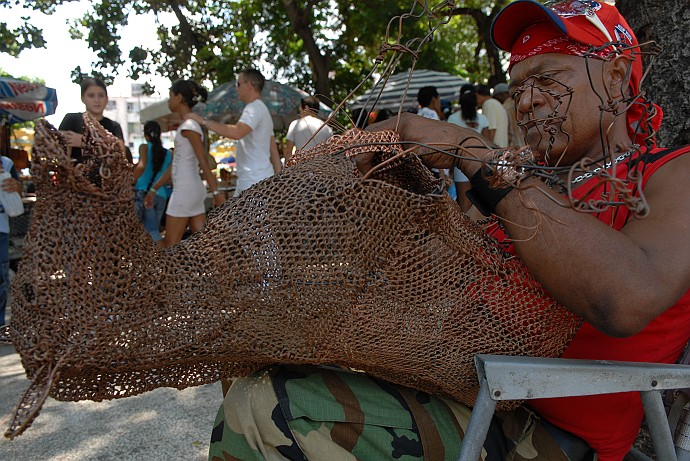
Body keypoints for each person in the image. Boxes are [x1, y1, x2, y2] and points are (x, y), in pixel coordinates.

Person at [208, 2, 690, 461]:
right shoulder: (534, 187)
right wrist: (383, 210)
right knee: (251, 357)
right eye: (517, 86)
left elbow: (625, 298)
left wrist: (477, 155)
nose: (526, 100)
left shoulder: (672, 175)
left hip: (539, 430)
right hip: (476, 392)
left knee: (264, 406)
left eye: (548, 77)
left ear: (616, 73)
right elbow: (440, 278)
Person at [145, 79, 223, 247]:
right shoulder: (188, 126)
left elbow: (203, 161)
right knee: (206, 246)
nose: (168, 101)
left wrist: (217, 193)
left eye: (170, 96)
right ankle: (222, 271)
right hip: (191, 192)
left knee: (168, 245)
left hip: (185, 193)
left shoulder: (189, 126)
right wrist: (154, 189)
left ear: (179, 97)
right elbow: (175, 166)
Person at [185, 69, 282, 197]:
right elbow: (274, 152)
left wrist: (203, 121)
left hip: (253, 181)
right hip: (257, 180)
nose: (237, 89)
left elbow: (237, 132)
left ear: (249, 85)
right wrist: (280, 183)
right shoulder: (263, 110)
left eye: (238, 84)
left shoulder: (253, 108)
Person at [58, 77, 124, 162]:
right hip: (76, 173)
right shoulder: (71, 120)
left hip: (106, 174)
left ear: (106, 99)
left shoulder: (113, 126)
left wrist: (85, 142)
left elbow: (121, 154)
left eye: (101, 96)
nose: (97, 100)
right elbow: (61, 154)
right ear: (83, 98)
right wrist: (105, 144)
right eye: (91, 96)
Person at [447, 83, 490, 211]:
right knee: (481, 205)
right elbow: (487, 145)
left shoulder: (452, 118)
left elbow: (450, 146)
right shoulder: (483, 119)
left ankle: (464, 230)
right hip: (480, 166)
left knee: (464, 205)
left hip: (460, 166)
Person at [134, 121, 172, 242]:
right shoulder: (169, 154)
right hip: (160, 195)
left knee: (144, 233)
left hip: (143, 193)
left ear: (145, 135)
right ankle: (155, 258)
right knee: (153, 230)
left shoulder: (144, 147)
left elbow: (141, 167)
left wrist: (130, 180)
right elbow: (168, 176)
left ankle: (160, 257)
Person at [0, 155, 22, 328]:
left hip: (1, 229)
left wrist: (16, 187)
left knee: (1, 281)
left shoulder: (6, 163)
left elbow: (18, 191)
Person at [284, 96, 334, 163]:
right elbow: (331, 153)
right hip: (320, 169)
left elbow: (288, 152)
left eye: (300, 110)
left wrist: (286, 170)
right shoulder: (327, 129)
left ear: (306, 108)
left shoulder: (295, 125)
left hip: (301, 169)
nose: (300, 113)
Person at [476, 83, 509, 147]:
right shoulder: (494, 103)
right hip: (500, 148)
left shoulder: (488, 104)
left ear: (477, 95)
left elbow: (491, 129)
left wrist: (488, 149)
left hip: (495, 150)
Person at [493, 82, 525, 147]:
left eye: (496, 97)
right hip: (526, 144)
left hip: (515, 146)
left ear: (502, 95)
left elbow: (506, 132)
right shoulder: (521, 103)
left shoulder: (505, 107)